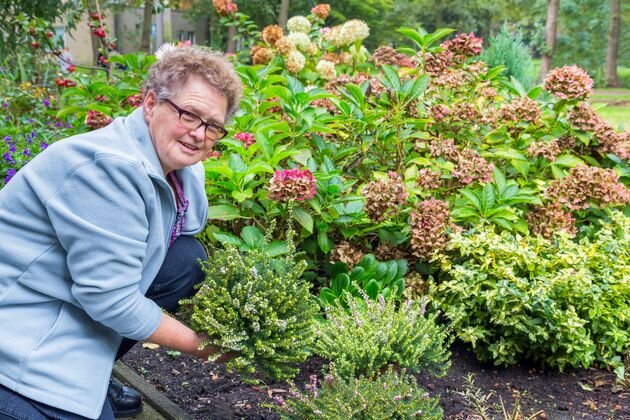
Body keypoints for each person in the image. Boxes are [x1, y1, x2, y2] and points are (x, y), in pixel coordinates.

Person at [0, 46, 242, 419]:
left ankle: (95, 371)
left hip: (65, 298)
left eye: (212, 126)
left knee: (185, 259)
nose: (198, 134)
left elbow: (182, 234)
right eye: (189, 115)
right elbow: (111, 300)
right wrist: (207, 347)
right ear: (150, 104)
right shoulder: (107, 169)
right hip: (19, 334)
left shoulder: (176, 167)